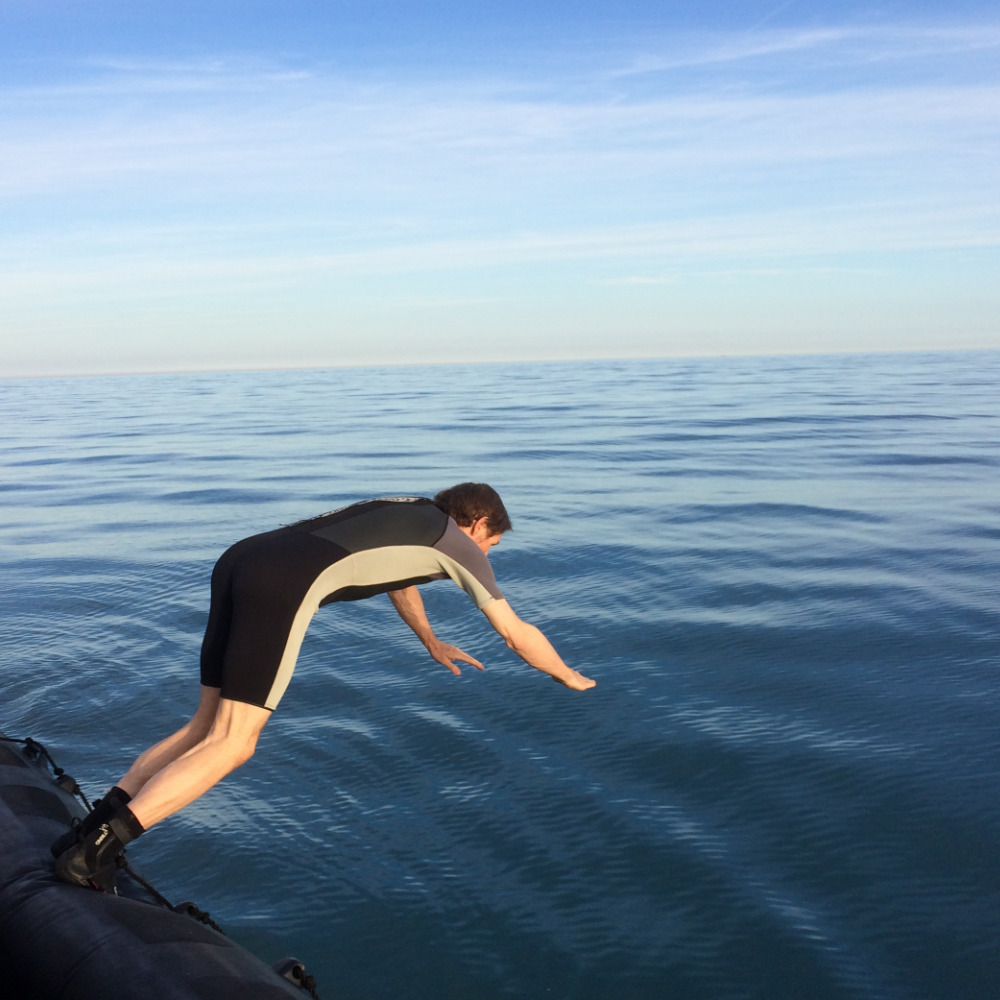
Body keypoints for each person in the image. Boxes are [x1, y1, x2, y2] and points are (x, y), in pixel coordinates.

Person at [53, 483, 595, 888]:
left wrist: (429, 640)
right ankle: (94, 853)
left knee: (204, 725)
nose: (487, 555)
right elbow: (515, 630)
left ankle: (88, 827)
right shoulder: (462, 545)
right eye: (492, 543)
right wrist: (567, 674)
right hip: (283, 582)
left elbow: (398, 579)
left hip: (242, 558)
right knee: (235, 743)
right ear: (478, 523)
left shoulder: (409, 513)